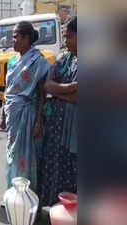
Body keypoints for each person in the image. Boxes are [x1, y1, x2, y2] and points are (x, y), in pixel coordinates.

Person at [4, 21, 51, 191]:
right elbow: (7, 90)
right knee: (12, 154)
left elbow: (42, 94)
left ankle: (27, 197)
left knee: (27, 156)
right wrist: (3, 115)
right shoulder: (12, 61)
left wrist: (39, 121)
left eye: (16, 37)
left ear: (26, 38)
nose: (13, 40)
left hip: (28, 116)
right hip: (13, 115)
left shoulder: (38, 61)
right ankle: (12, 193)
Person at [37, 16, 78, 207]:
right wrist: (70, 87)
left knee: (74, 169)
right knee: (54, 166)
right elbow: (47, 85)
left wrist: (59, 91)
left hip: (78, 130)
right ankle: (55, 209)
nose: (66, 40)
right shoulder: (63, 59)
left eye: (69, 36)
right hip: (56, 126)